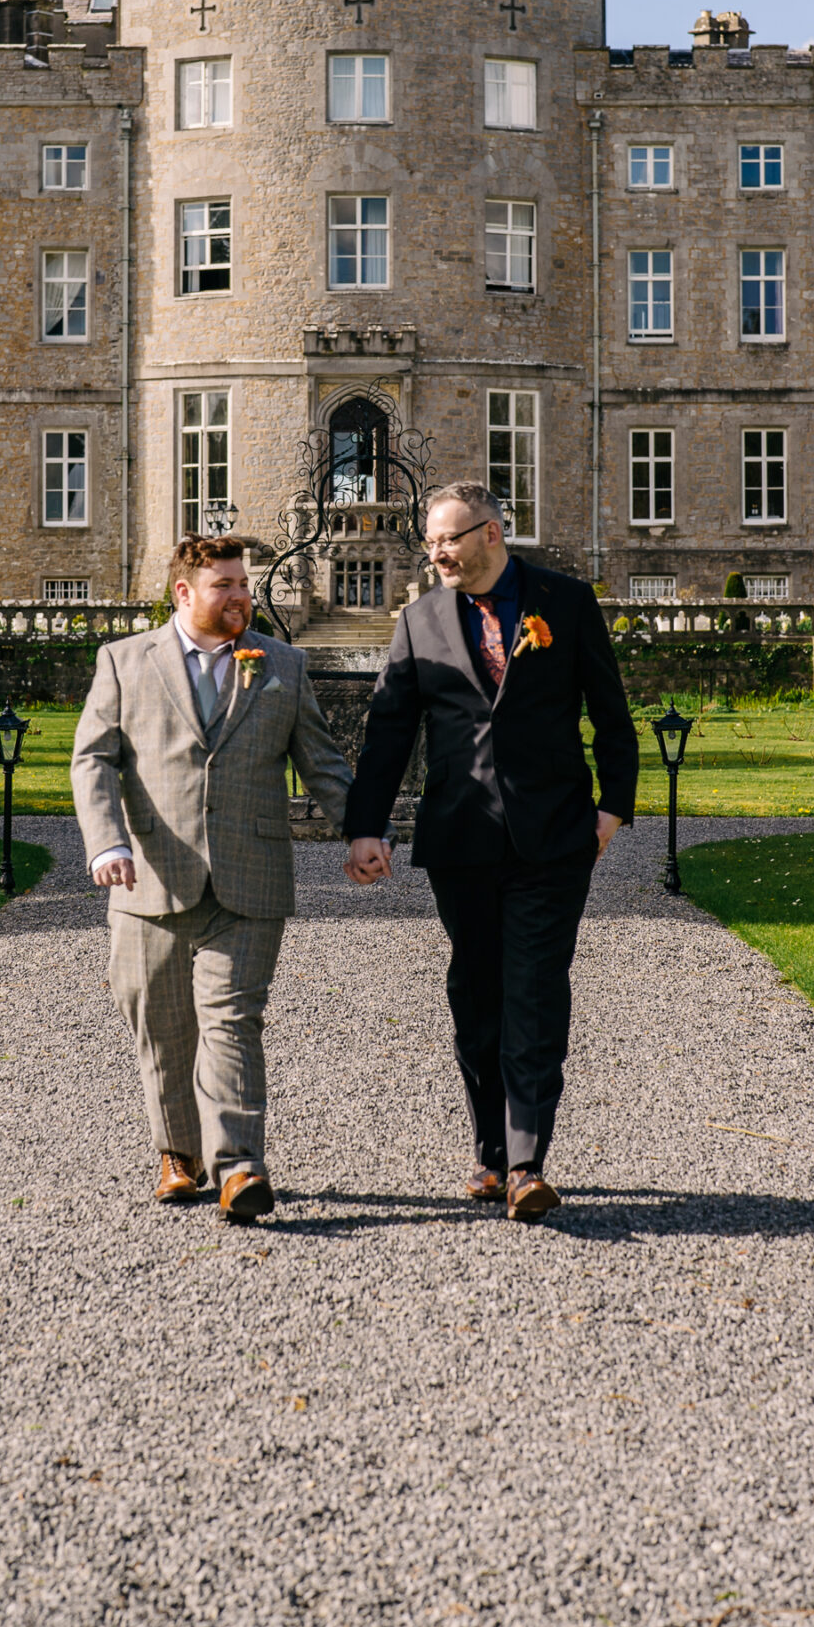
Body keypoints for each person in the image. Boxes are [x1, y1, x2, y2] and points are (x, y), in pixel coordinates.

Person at [342, 482, 640, 1220]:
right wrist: (364, 826)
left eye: (449, 539)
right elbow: (388, 732)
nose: (438, 554)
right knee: (476, 996)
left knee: (535, 990)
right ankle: (487, 1152)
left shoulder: (563, 603)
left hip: (556, 838)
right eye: (430, 544)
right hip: (460, 839)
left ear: (492, 533)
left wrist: (612, 810)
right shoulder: (417, 621)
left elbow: (610, 714)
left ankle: (527, 1160)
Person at [72, 536, 352, 1221]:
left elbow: (321, 761)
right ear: (183, 593)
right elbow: (92, 762)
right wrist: (107, 841)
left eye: (242, 584)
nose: (238, 597)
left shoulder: (281, 662)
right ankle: (178, 1154)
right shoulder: (123, 662)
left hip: (248, 875)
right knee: (164, 1028)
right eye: (223, 584)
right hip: (147, 879)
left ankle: (238, 1166)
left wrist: (363, 829)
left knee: (232, 1021)